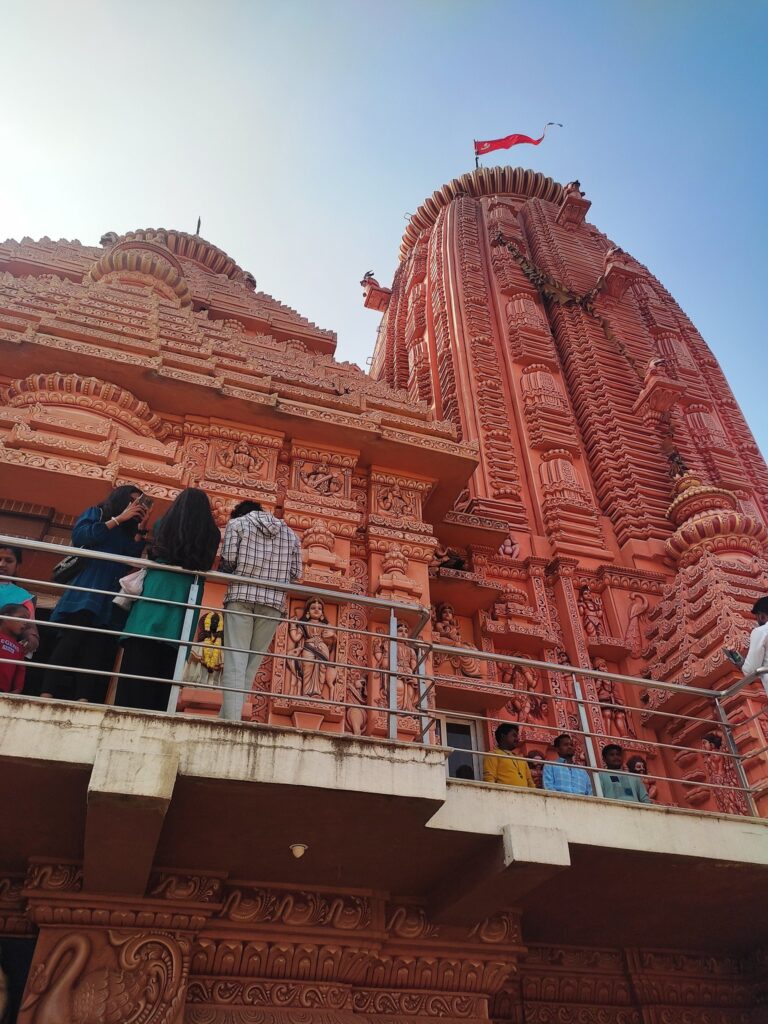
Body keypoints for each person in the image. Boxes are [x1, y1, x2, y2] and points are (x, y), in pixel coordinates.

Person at [116, 488, 220, 711]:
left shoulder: (164, 522)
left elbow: (155, 552)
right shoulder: (211, 533)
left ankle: (126, 709)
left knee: (139, 654)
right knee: (169, 662)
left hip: (158, 586)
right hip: (187, 592)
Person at [42, 485, 148, 702]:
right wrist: (119, 518)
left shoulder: (128, 530)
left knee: (96, 646)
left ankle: (84, 697)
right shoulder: (97, 513)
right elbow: (82, 536)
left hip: (110, 588)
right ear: (120, 499)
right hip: (89, 583)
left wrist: (141, 528)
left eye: (139, 503)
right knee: (71, 638)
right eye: (131, 501)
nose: (134, 506)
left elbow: (130, 556)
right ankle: (47, 692)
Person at [219, 500, 302, 721]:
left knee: (236, 659)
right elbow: (295, 573)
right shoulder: (291, 534)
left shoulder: (237, 525)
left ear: (240, 513)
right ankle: (228, 718)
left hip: (242, 596)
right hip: (273, 603)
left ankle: (231, 721)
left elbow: (228, 561)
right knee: (251, 664)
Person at [0, 545, 39, 658]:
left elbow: (29, 626)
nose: (2, 564)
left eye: (8, 561)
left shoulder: (23, 597)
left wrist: (32, 638)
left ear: (17, 566)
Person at [483, 722, 536, 788]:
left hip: (524, 796)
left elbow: (530, 782)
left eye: (517, 736)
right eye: (514, 735)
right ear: (503, 736)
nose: (517, 739)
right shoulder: (493, 755)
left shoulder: (521, 759)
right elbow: (489, 779)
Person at [727, 597, 768, 678]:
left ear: (761, 616)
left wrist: (741, 664)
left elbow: (751, 671)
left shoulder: (761, 631)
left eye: (756, 618)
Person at [183, 611, 225, 689]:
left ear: (203, 627)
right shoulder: (224, 652)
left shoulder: (196, 648)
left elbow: (188, 673)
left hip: (193, 689)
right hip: (215, 693)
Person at [0, 603, 31, 693]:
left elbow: (20, 673)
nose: (25, 623)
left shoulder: (19, 648)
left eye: (27, 620)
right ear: (5, 618)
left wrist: (16, 691)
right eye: (22, 618)